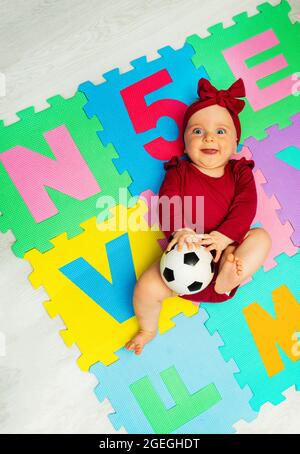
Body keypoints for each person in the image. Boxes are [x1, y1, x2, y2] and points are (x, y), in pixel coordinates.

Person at [125, 77, 272, 355]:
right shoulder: (178, 172)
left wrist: (224, 237)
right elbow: (168, 202)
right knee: (145, 287)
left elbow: (246, 205)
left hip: (227, 253)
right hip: (181, 262)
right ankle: (147, 329)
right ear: (183, 144)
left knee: (261, 238)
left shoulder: (239, 173)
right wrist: (179, 231)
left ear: (235, 144)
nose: (209, 137)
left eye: (220, 131)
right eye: (197, 131)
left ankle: (226, 282)